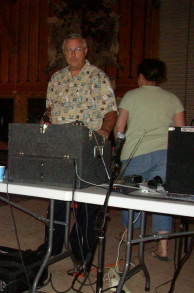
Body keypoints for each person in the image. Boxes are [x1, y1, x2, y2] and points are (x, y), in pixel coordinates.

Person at [43, 33, 118, 271]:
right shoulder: (56, 78)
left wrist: (105, 131)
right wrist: (44, 123)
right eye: (68, 50)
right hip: (60, 145)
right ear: (63, 53)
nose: (73, 54)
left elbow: (111, 111)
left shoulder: (98, 77)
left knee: (86, 203)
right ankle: (51, 249)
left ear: (85, 51)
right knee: (56, 199)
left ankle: (82, 254)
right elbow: (49, 109)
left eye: (77, 50)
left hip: (88, 146)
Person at [115, 58, 185, 260]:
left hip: (136, 153)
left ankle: (130, 234)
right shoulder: (173, 99)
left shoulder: (131, 96)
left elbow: (120, 128)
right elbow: (180, 133)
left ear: (141, 76)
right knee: (161, 196)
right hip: (164, 154)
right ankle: (162, 246)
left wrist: (118, 144)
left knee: (132, 194)